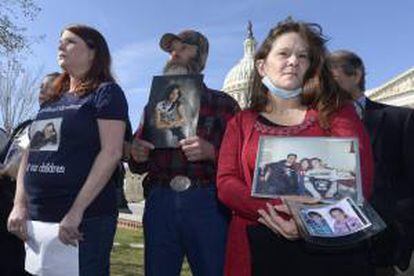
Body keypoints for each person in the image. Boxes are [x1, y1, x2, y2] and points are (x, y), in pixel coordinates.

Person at [216, 18, 374, 276]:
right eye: (283, 53)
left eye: (303, 56)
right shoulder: (240, 122)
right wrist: (286, 211)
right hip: (255, 244)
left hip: (331, 251)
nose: (293, 61)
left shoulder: (337, 112)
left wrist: (308, 222)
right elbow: (226, 182)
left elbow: (360, 181)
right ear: (261, 66)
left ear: (311, 67)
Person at [7, 24, 128, 275]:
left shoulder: (106, 93)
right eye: (60, 41)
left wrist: (76, 212)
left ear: (93, 52)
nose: (61, 45)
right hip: (38, 219)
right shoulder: (53, 99)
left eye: (71, 42)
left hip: (83, 222)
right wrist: (19, 204)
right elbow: (31, 154)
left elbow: (111, 152)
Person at [129, 29, 240, 276]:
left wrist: (213, 152)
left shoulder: (224, 104)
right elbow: (137, 162)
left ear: (201, 57)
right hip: (160, 201)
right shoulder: (153, 105)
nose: (174, 55)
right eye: (171, 50)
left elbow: (243, 161)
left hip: (208, 202)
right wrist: (137, 154)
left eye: (183, 48)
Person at [328, 50, 414, 274]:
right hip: (332, 245)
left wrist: (402, 229)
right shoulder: (317, 126)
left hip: (385, 245)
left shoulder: (401, 119)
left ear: (355, 75)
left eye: (330, 77)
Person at [0, 72, 60, 276]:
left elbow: (38, 166)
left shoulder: (53, 125)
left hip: (25, 206)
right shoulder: (26, 125)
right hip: (5, 201)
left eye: (49, 87)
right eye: (41, 87)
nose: (42, 91)